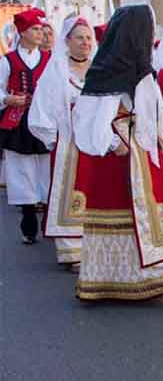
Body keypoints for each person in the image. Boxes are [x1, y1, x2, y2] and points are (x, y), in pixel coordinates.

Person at [72, 5, 163, 302]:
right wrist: (112, 143)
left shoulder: (142, 68)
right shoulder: (107, 70)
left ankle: (159, 277)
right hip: (118, 154)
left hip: (145, 150)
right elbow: (87, 117)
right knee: (119, 209)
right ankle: (112, 280)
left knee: (156, 209)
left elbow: (155, 109)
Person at [29, 15, 95, 269]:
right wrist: (54, 137)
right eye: (79, 37)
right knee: (70, 192)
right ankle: (71, 250)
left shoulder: (99, 69)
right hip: (68, 143)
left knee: (94, 193)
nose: (85, 42)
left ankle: (94, 245)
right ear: (67, 41)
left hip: (96, 142)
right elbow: (43, 106)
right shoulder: (56, 70)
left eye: (88, 37)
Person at [0, 7, 52, 243]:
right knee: (21, 169)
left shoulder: (49, 60)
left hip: (43, 121)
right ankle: (28, 217)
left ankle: (48, 216)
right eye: (35, 29)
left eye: (41, 29)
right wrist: (6, 99)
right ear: (22, 32)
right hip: (18, 121)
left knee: (45, 169)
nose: (40, 33)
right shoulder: (8, 60)